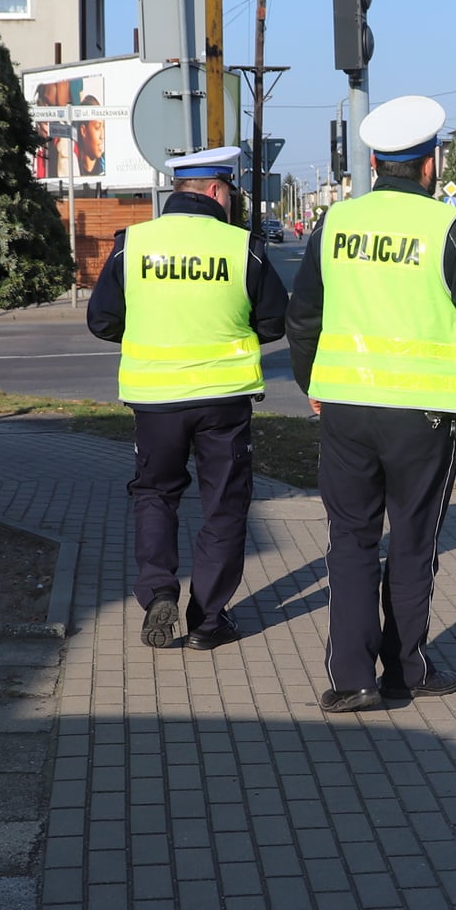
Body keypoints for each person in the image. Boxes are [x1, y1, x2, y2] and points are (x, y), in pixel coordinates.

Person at [286, 95, 456, 714]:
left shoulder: (334, 225)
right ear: (430, 164)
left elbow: (302, 318)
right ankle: (404, 672)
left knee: (349, 542)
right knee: (412, 543)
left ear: (375, 161)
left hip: (345, 406)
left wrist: (311, 383)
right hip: (425, 415)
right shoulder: (452, 231)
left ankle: (352, 681)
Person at [86, 146, 289, 650]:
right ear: (218, 191)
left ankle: (158, 592)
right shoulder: (245, 248)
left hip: (154, 399)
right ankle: (207, 620)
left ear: (178, 190)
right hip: (224, 400)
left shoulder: (131, 244)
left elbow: (102, 321)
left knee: (155, 494)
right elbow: (274, 321)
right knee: (224, 505)